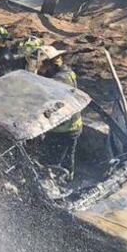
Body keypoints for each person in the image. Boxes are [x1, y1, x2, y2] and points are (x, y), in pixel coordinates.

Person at [34, 45, 83, 176]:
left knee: (51, 163)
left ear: (48, 64)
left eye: (39, 64)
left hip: (64, 128)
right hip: (67, 125)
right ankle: (67, 179)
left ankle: (57, 186)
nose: (38, 67)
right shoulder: (63, 72)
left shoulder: (58, 79)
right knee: (66, 159)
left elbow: (45, 98)